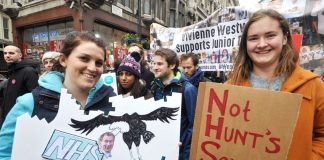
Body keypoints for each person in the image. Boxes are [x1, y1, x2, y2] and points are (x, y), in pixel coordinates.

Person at [0, 31, 116, 159]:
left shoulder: (113, 102)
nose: (93, 68)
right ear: (63, 60)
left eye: (98, 63)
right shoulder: (30, 103)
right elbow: (5, 154)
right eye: (84, 58)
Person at [227, 9, 324, 160]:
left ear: (285, 38)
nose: (261, 44)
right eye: (253, 38)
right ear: (245, 44)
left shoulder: (313, 85)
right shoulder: (227, 89)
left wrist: (310, 157)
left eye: (270, 35)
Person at [150, 48, 197, 160]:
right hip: (160, 149)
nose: (155, 67)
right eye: (154, 63)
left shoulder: (187, 89)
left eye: (160, 64)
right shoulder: (155, 87)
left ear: (172, 65)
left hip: (179, 152)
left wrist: (185, 153)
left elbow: (193, 126)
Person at [1, 45, 38, 128]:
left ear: (20, 55)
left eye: (11, 53)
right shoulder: (12, 71)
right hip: (8, 117)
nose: (7, 55)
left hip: (20, 119)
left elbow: (35, 96)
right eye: (5, 53)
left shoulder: (28, 71)